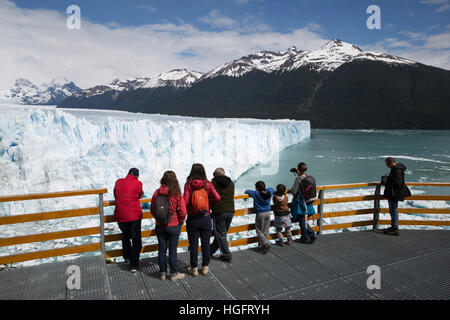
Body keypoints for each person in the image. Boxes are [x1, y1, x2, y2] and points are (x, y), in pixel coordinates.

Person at [184, 163, 221, 276]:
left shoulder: (188, 185)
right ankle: (205, 267)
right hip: (205, 218)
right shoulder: (208, 184)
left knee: (193, 244)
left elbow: (185, 202)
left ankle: (194, 268)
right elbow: (218, 198)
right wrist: (207, 203)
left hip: (193, 219)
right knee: (205, 243)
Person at [150, 171, 187, 281]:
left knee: (162, 250)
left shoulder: (157, 193)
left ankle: (162, 273)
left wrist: (159, 220)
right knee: (172, 250)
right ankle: (174, 274)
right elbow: (183, 211)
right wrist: (180, 222)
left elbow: (152, 209)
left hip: (160, 226)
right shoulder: (176, 194)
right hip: (174, 226)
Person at [113, 168, 144, 273]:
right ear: (137, 175)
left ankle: (127, 257)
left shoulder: (118, 181)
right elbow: (140, 195)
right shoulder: (138, 183)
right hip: (134, 215)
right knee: (136, 240)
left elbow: (115, 195)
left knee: (125, 236)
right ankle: (133, 265)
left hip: (120, 216)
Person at [381, 157, 411, 236]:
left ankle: (395, 228)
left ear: (390, 162)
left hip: (394, 194)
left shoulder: (397, 170)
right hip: (394, 193)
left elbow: (397, 183)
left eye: (387, 164)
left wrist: (386, 181)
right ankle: (393, 227)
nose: (387, 166)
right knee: (393, 210)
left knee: (393, 210)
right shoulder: (396, 169)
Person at [210, 168, 235, 263]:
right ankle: (210, 251)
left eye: (213, 174)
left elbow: (210, 196)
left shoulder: (213, 184)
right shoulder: (231, 183)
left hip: (219, 211)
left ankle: (227, 255)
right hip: (230, 211)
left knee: (220, 234)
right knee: (221, 234)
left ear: (216, 175)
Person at [290, 162, 317, 244]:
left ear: (298, 169)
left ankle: (308, 237)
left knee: (302, 221)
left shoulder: (298, 179)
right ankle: (306, 236)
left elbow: (294, 192)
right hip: (309, 202)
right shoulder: (309, 177)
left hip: (301, 204)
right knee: (303, 221)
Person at [245, 181, 274, 254]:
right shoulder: (269, 192)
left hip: (260, 213)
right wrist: (265, 192)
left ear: (257, 188)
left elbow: (247, 191)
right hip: (267, 212)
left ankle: (265, 244)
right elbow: (272, 189)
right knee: (265, 230)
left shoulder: (256, 193)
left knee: (258, 230)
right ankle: (264, 246)